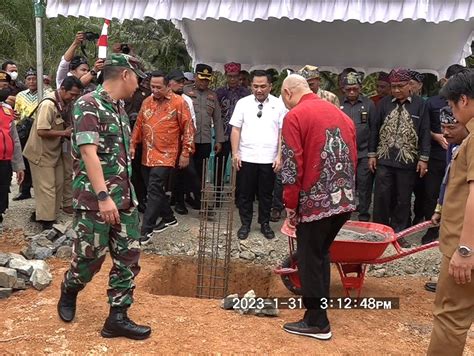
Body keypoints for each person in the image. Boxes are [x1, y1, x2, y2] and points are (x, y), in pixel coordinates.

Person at [58, 54, 151, 340]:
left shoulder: (120, 108)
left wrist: (121, 197)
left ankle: (117, 318)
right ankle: (70, 288)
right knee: (88, 261)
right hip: (95, 201)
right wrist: (103, 197)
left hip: (124, 199)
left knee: (128, 259)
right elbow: (88, 153)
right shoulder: (88, 104)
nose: (139, 85)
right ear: (125, 75)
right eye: (137, 78)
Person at [280, 74, 357, 340]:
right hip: (343, 200)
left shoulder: (295, 116)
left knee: (308, 258)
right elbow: (353, 156)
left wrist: (290, 204)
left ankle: (317, 322)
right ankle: (318, 313)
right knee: (320, 255)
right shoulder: (340, 114)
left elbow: (291, 165)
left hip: (315, 202)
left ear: (288, 92)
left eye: (283, 98)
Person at [427, 69, 474, 355]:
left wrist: (465, 250)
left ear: (464, 100)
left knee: (450, 317)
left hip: (465, 244)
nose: (453, 114)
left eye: (454, 106)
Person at [131, 71, 194, 242]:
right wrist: (132, 144)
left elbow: (188, 129)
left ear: (168, 86)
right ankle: (169, 217)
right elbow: (139, 125)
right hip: (147, 153)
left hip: (167, 154)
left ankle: (146, 229)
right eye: (152, 86)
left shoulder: (179, 103)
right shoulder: (147, 102)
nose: (155, 90)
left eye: (159, 87)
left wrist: (185, 153)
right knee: (155, 189)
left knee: (154, 188)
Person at [368, 68, 430, 236]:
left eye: (400, 86)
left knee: (403, 199)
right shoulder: (384, 103)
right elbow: (374, 129)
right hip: (384, 159)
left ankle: (399, 233)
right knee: (381, 197)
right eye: (393, 86)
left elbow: (425, 132)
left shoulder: (421, 104)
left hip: (407, 161)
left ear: (410, 85)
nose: (396, 90)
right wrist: (372, 154)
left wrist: (423, 159)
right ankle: (378, 232)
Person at [230, 70, 286, 240]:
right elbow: (236, 129)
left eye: (263, 86)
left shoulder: (279, 104)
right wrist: (235, 153)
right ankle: (245, 224)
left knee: (266, 194)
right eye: (255, 86)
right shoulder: (243, 103)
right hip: (246, 156)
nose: (259, 90)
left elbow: (282, 133)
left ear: (270, 86)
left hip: (269, 159)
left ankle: (265, 224)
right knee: (245, 194)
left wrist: (279, 156)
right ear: (251, 86)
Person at [412, 64, 466, 244]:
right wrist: (437, 136)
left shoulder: (469, 138)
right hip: (437, 155)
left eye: (451, 127)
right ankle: (433, 230)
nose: (446, 131)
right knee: (431, 191)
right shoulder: (432, 103)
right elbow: (422, 129)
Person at [23, 77, 83, 230]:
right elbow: (41, 131)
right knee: (47, 187)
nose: (73, 97)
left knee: (58, 183)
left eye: (76, 95)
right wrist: (64, 133)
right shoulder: (48, 105)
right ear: (62, 89)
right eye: (72, 94)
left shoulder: (65, 104)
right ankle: (46, 221)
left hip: (54, 152)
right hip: (41, 153)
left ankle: (49, 214)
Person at [424, 106, 469, 293]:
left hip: (466, 209)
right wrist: (439, 208)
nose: (445, 133)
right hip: (452, 207)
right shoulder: (452, 146)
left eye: (451, 127)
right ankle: (447, 278)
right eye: (443, 127)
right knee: (448, 243)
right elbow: (447, 180)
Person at [340, 72, 376, 221]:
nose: (352, 92)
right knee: (344, 183)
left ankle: (364, 214)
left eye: (355, 88)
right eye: (348, 89)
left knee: (364, 184)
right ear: (343, 89)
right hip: (344, 153)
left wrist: (372, 154)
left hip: (363, 152)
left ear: (360, 87)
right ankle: (344, 213)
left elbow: (374, 129)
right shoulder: (339, 104)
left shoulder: (368, 104)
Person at [215, 62, 251, 205]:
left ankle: (238, 197)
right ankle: (218, 195)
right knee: (220, 165)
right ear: (226, 76)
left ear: (239, 76)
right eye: (230, 76)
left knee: (239, 167)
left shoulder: (246, 93)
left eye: (235, 76)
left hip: (241, 136)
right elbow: (216, 115)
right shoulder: (219, 92)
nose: (233, 79)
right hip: (223, 134)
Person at [184, 64, 224, 186]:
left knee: (201, 170)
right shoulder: (186, 91)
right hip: (189, 139)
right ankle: (184, 197)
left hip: (205, 140)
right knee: (187, 170)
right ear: (195, 76)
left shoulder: (212, 95)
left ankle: (198, 198)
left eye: (207, 79)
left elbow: (217, 119)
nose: (204, 82)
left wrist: (219, 140)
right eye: (201, 78)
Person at [167, 69, 200, 215]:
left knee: (189, 172)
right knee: (171, 175)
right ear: (169, 83)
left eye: (182, 82)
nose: (181, 85)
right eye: (178, 82)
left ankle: (200, 201)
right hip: (165, 144)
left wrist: (187, 142)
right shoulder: (160, 98)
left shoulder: (186, 100)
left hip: (183, 143)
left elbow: (193, 122)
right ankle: (177, 201)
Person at [13, 68, 41, 201]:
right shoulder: (20, 95)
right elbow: (16, 113)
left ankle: (39, 189)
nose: (32, 81)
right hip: (24, 131)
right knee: (23, 160)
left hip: (39, 131)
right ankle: (24, 189)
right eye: (29, 79)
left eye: (34, 78)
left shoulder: (45, 93)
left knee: (37, 160)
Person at [0, 87, 24, 232]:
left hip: (5, 160)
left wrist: (19, 165)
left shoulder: (8, 111)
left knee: (3, 188)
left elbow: (14, 139)